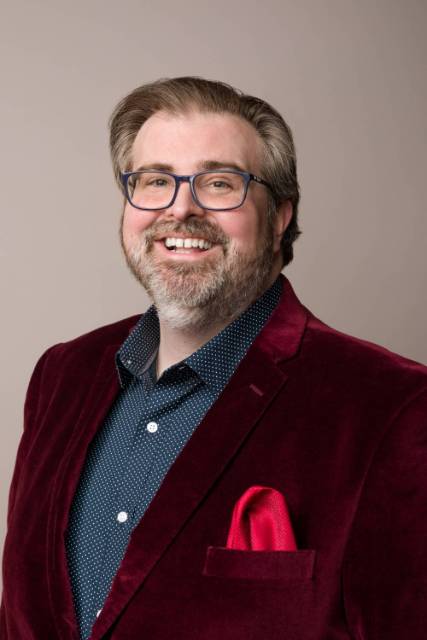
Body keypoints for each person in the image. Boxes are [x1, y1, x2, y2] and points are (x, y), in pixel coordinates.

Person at [1, 76, 426, 640]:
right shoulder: (62, 375)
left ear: (278, 217)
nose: (181, 209)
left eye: (219, 183)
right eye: (155, 181)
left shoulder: (392, 406)